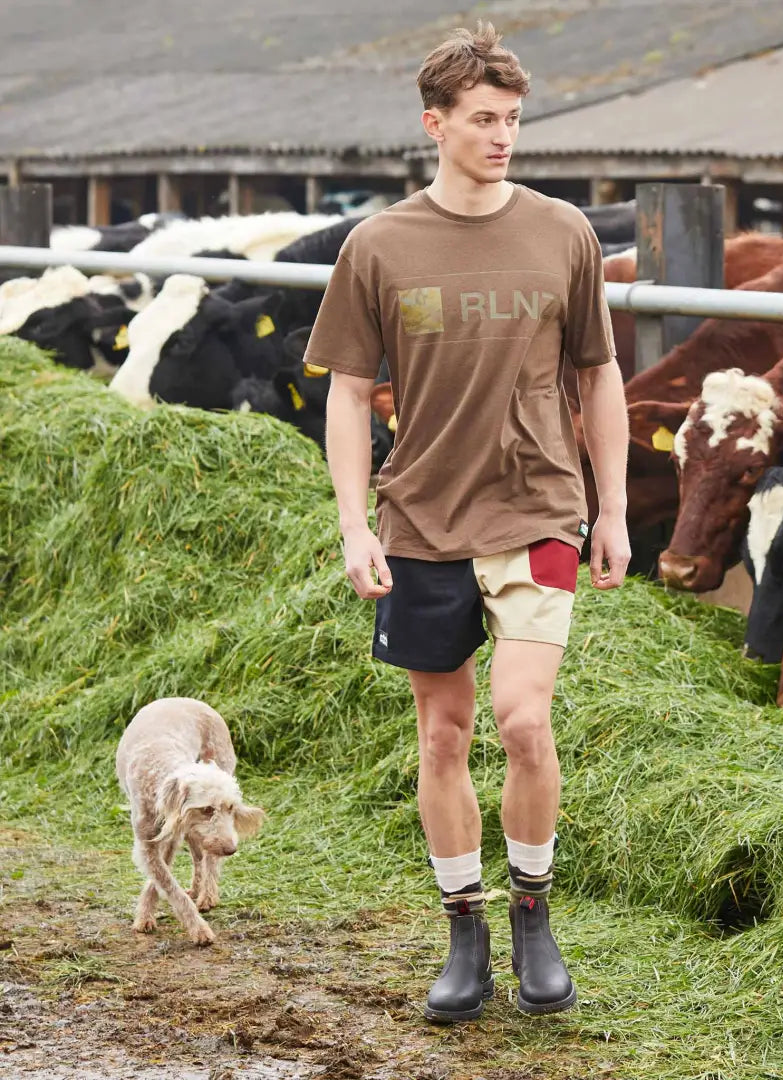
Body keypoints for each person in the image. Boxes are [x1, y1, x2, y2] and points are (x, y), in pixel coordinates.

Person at [305, 21, 631, 1023]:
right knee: (442, 733)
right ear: (434, 123)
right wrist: (356, 523)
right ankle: (465, 930)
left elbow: (597, 372)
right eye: (483, 120)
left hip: (540, 509)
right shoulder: (378, 245)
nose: (502, 137)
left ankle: (534, 911)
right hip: (422, 523)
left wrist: (612, 506)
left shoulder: (563, 232)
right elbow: (351, 394)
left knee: (523, 721)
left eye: (513, 120)